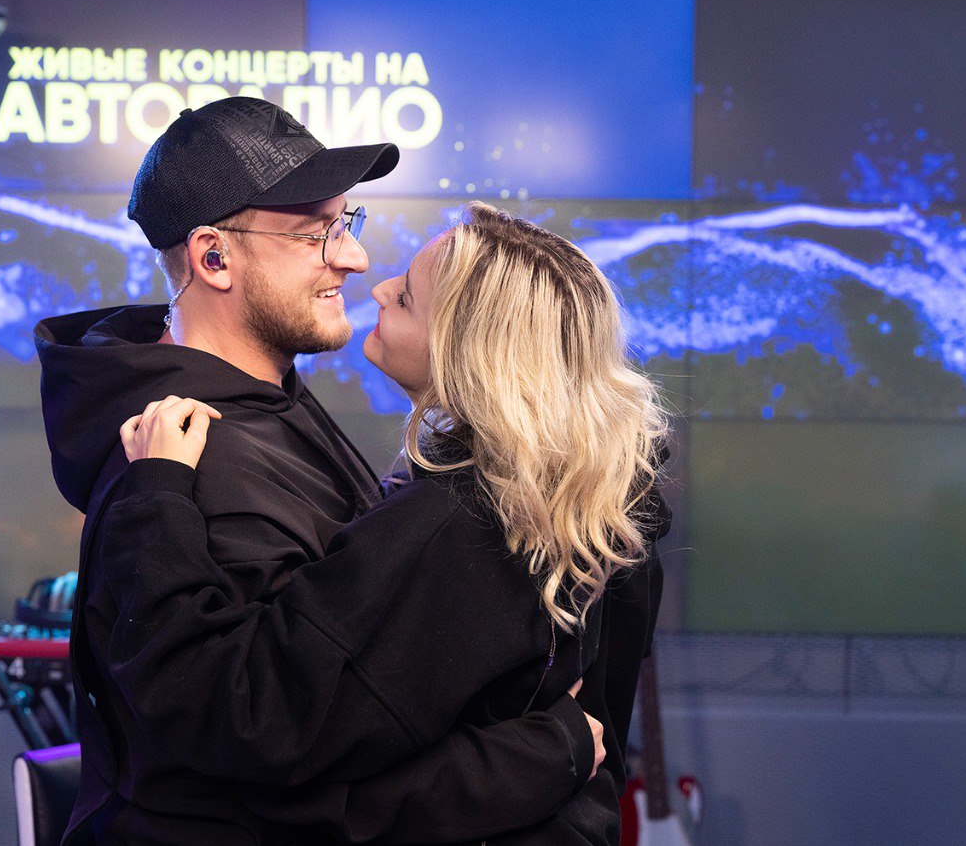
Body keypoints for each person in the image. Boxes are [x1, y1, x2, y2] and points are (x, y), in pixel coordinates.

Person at [35, 99, 613, 844]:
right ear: (214, 258)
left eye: (347, 224)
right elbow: (254, 754)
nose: (355, 259)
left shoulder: (267, 411)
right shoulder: (192, 459)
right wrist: (535, 755)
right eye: (316, 235)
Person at [110, 202, 672, 843]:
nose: (373, 285)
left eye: (404, 298)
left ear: (467, 353)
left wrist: (157, 496)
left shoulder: (455, 526)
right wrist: (547, 753)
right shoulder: (606, 513)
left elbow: (243, 716)